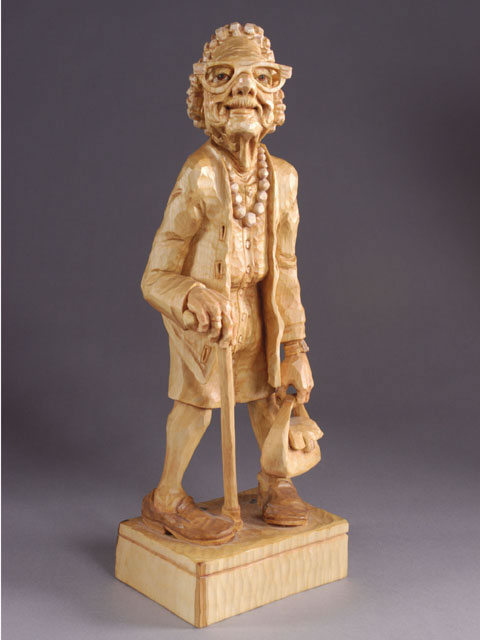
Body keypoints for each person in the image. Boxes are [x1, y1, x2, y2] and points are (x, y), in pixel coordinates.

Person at [140, 23, 314, 545]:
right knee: (198, 402)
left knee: (271, 392)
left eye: (261, 78)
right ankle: (166, 497)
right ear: (204, 98)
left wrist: (295, 347)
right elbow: (156, 274)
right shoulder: (199, 173)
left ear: (276, 98)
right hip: (204, 316)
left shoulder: (284, 177)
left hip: (261, 306)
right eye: (225, 77)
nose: (244, 90)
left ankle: (275, 479)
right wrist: (192, 295)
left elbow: (286, 267)